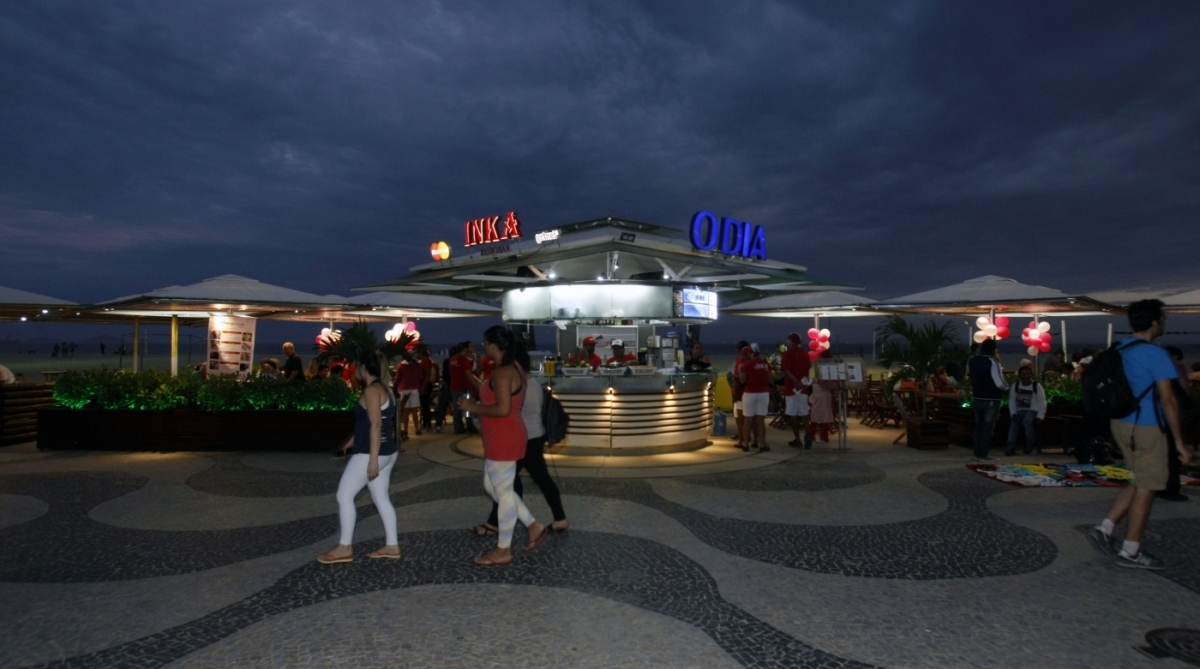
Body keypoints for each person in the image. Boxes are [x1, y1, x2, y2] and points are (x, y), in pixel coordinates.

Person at [1086, 300, 1192, 570]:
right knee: (1149, 486)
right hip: (1146, 426)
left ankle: (1106, 527)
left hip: (1121, 424)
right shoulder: (1155, 354)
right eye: (1163, 320)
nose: (1163, 324)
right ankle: (1130, 550)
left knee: (1140, 478)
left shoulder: (1120, 348)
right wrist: (1179, 441)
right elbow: (1168, 400)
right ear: (1155, 322)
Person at [457, 326, 548, 567]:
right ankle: (533, 525)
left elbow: (502, 409)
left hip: (504, 437)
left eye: (485, 343)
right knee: (493, 486)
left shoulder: (504, 372)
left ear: (494, 346)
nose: (482, 346)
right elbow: (500, 400)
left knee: (503, 492)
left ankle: (503, 549)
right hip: (503, 436)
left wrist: (473, 407)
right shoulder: (510, 368)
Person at [470, 346, 569, 537]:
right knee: (539, 480)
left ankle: (497, 525)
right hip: (534, 438)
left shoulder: (521, 386)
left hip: (525, 440)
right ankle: (560, 518)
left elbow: (505, 411)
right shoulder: (532, 384)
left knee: (504, 483)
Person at [318, 350, 401, 564]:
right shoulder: (384, 389)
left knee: (343, 496)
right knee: (381, 497)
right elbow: (369, 422)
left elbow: (376, 424)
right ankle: (392, 545)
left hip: (372, 453)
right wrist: (352, 440)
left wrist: (372, 459)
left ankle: (344, 547)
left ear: (364, 368)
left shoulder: (373, 390)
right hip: (388, 451)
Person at [1159, 346, 1193, 502]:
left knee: (1161, 451)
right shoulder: (1177, 367)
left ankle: (1158, 485)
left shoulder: (1155, 367)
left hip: (1156, 415)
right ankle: (1171, 488)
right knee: (1173, 452)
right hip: (1174, 410)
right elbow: (1183, 386)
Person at [968, 338, 1008, 462]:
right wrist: (1008, 388)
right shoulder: (993, 362)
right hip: (991, 398)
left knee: (979, 426)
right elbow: (999, 383)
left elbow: (969, 375)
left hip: (977, 397)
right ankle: (983, 454)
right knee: (987, 427)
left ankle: (977, 453)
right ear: (994, 350)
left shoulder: (972, 361)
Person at [779, 333, 812, 448]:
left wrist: (795, 382)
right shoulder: (805, 353)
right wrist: (800, 382)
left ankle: (797, 439)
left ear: (791, 342)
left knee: (793, 414)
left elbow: (786, 371)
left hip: (791, 388)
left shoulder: (787, 354)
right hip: (803, 387)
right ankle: (808, 434)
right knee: (804, 412)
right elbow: (808, 368)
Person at [1005, 366, 1046, 456]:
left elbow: (1042, 402)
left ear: (1032, 375)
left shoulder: (1037, 386)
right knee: (1014, 423)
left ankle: (1030, 442)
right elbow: (1011, 401)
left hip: (1032, 410)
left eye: (1028, 374)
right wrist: (1013, 413)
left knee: (1027, 420)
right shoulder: (1015, 386)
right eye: (1023, 374)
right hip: (1019, 410)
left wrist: (1040, 416)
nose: (1026, 376)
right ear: (1019, 375)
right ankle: (1010, 446)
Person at [737, 345, 772, 453]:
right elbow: (770, 380)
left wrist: (740, 371)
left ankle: (745, 444)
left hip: (750, 393)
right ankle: (762, 444)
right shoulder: (765, 363)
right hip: (763, 393)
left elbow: (742, 380)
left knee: (747, 419)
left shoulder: (747, 364)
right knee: (760, 420)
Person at [393, 355, 425, 440]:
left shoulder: (401, 365)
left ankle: (405, 429)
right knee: (414, 410)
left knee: (405, 411)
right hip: (414, 388)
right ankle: (417, 429)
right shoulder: (416, 365)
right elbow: (421, 376)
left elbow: (398, 378)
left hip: (403, 389)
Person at [808, 350, 836, 443]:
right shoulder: (821, 368)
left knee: (824, 416)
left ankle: (823, 436)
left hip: (824, 394)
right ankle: (812, 435)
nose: (818, 359)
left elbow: (828, 382)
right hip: (818, 395)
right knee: (815, 415)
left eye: (820, 357)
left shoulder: (827, 369)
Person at [448, 342, 474, 434]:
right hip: (464, 386)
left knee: (456, 408)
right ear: (464, 349)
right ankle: (469, 425)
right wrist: (475, 384)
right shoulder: (463, 359)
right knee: (467, 407)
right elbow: (468, 373)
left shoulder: (452, 359)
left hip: (454, 386)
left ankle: (458, 427)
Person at [730, 340, 750, 449]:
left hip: (741, 392)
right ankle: (745, 438)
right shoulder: (746, 361)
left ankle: (742, 440)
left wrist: (735, 384)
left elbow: (741, 379)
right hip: (744, 392)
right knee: (747, 418)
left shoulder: (743, 362)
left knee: (741, 418)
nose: (739, 351)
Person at [417, 344, 439, 430]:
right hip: (424, 384)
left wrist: (423, 386)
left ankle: (427, 423)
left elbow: (427, 375)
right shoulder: (423, 361)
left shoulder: (426, 361)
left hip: (426, 385)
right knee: (424, 405)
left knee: (425, 405)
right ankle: (426, 423)